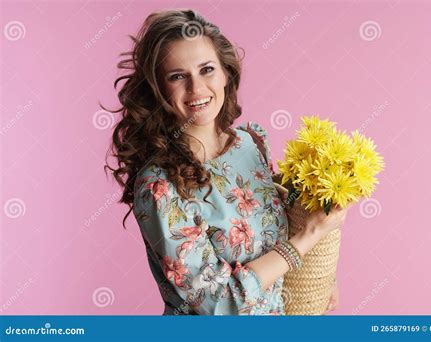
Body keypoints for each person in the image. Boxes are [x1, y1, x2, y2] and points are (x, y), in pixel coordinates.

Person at [104, 8, 350, 315]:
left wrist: (321, 277)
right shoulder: (159, 186)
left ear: (225, 73)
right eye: (178, 76)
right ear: (158, 89)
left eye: (207, 69)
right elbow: (217, 303)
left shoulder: (251, 144)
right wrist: (309, 238)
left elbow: (277, 230)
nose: (196, 89)